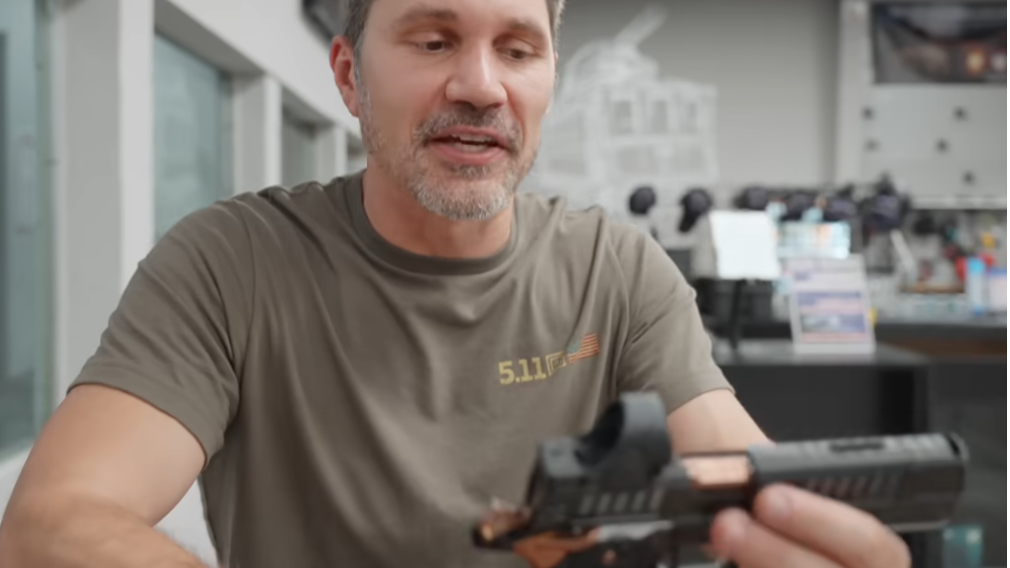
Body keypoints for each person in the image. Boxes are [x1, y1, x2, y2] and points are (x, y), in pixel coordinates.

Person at [0, 0, 910, 567]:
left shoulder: (617, 272)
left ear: (550, 78)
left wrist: (805, 539)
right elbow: (53, 525)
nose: (480, 86)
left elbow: (738, 476)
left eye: (518, 49)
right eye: (434, 39)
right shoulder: (229, 263)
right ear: (351, 75)